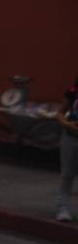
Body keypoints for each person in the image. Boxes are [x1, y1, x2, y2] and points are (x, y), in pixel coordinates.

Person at [56, 79, 78, 222]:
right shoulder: (74, 90)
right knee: (67, 174)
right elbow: (60, 113)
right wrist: (67, 124)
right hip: (71, 137)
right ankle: (63, 208)